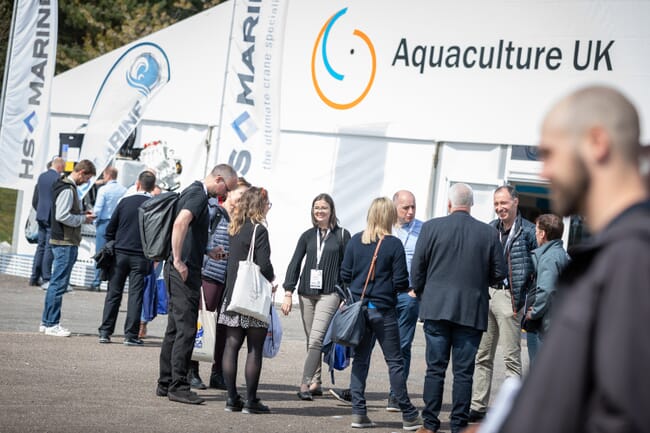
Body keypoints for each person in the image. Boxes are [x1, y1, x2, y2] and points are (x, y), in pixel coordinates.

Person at [496, 86, 650, 432]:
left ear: (597, 142)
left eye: (550, 153)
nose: (545, 171)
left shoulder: (633, 258)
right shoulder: (611, 254)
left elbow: (627, 415)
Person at [410, 183, 506, 433]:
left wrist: (424, 295)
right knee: (464, 372)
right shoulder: (488, 233)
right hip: (470, 311)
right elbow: (499, 273)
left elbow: (417, 270)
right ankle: (459, 425)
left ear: (449, 204)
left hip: (436, 307)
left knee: (435, 369)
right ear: (471, 205)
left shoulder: (430, 228)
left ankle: (429, 424)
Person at [157, 164, 237, 405]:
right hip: (183, 271)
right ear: (219, 179)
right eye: (226, 190)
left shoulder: (194, 193)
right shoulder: (198, 195)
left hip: (183, 267)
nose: (224, 196)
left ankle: (165, 382)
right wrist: (179, 260)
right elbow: (180, 223)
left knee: (175, 327)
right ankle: (178, 386)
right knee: (187, 329)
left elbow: (188, 231)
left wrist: (207, 251)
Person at [339, 197, 422, 430]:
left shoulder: (356, 240)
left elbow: (345, 274)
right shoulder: (393, 244)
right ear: (388, 217)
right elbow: (400, 281)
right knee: (394, 361)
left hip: (359, 310)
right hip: (383, 311)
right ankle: (408, 413)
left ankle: (359, 412)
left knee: (361, 360)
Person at [469, 185, 536, 422]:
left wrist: (529, 302)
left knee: (511, 358)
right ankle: (478, 406)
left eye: (504, 203)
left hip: (511, 299)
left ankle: (511, 409)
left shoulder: (528, 231)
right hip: (488, 295)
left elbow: (536, 272)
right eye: (496, 204)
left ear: (515, 202)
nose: (499, 208)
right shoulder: (489, 229)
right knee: (483, 355)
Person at [282, 193, 351, 401]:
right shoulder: (307, 236)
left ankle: (304, 383)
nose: (319, 211)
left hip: (330, 294)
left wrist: (345, 295)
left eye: (323, 208)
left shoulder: (342, 235)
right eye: (316, 208)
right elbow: (295, 263)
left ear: (332, 211)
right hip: (306, 294)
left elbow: (348, 268)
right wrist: (288, 291)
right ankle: (316, 382)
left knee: (316, 338)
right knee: (313, 339)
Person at [187, 177, 251, 391]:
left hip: (231, 281)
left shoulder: (243, 220)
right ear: (230, 194)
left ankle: (218, 373)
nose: (242, 200)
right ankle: (192, 370)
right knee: (201, 323)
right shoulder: (215, 212)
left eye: (245, 197)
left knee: (224, 327)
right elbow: (200, 239)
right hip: (211, 275)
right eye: (239, 195)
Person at [218, 187, 276, 414]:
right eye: (267, 204)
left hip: (233, 296)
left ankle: (232, 398)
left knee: (231, 347)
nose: (268, 208)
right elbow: (263, 263)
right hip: (251, 298)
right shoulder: (259, 230)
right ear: (260, 205)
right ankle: (251, 400)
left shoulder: (235, 227)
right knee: (254, 348)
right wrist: (272, 278)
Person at [97, 170, 156, 345]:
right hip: (141, 256)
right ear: (153, 187)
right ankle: (130, 335)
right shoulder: (154, 205)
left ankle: (105, 332)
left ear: (138, 184)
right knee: (135, 296)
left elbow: (110, 229)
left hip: (120, 254)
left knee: (113, 294)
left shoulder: (124, 202)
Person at [39, 159, 96, 337]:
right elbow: (62, 215)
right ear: (81, 173)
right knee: (59, 283)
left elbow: (62, 213)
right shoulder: (67, 189)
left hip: (62, 239)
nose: (87, 182)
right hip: (65, 241)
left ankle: (46, 321)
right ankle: (52, 323)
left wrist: (80, 214)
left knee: (56, 283)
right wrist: (82, 219)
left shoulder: (62, 185)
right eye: (87, 178)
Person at [387, 190, 423, 411]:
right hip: (383, 295)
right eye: (405, 208)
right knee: (367, 344)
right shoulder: (385, 227)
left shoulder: (424, 229)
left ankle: (396, 395)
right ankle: (356, 391)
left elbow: (429, 260)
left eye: (413, 207)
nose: (410, 212)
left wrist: (417, 290)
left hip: (408, 295)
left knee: (403, 345)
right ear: (394, 208)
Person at [523, 214, 569, 363]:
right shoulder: (563, 255)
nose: (535, 234)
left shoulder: (549, 257)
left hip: (542, 327)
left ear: (543, 234)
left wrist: (534, 313)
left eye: (536, 231)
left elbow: (546, 290)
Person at [30, 157, 64, 287]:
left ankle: (34, 276)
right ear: (60, 167)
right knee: (49, 247)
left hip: (41, 214)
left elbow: (37, 197)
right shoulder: (58, 179)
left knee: (40, 247)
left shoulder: (42, 177)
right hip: (51, 216)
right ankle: (46, 277)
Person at [91, 166, 126, 290]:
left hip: (104, 223)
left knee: (100, 253)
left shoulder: (103, 190)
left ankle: (96, 281)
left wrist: (94, 222)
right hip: (117, 224)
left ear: (108, 175)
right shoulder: (123, 190)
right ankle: (112, 282)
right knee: (115, 254)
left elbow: (98, 209)